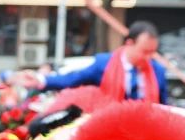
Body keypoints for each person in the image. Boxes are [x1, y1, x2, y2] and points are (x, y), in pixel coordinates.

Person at [13, 20, 168, 104]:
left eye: (152, 52)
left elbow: (164, 106)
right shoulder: (104, 64)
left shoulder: (157, 71)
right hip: (110, 130)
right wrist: (41, 79)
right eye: (145, 52)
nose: (148, 57)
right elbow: (73, 79)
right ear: (129, 43)